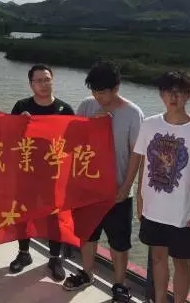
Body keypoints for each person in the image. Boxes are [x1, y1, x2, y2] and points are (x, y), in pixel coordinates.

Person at [62, 60, 144, 302]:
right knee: (87, 234)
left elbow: (136, 154)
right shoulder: (87, 106)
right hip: (88, 188)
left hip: (118, 190)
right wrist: (92, 124)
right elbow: (71, 141)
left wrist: (127, 186)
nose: (98, 96)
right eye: (95, 91)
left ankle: (120, 283)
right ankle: (87, 273)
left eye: (103, 92)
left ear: (116, 88)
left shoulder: (133, 113)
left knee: (119, 241)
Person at [133, 70, 190, 303]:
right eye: (168, 92)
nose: (173, 98)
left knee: (182, 263)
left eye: (179, 93)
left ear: (188, 95)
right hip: (153, 209)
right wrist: (139, 195)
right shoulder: (149, 124)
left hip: (184, 213)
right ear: (161, 94)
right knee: (158, 258)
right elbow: (143, 162)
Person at [8, 64, 74, 282]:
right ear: (31, 84)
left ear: (52, 80)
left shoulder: (65, 110)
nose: (43, 84)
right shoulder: (22, 107)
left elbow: (73, 144)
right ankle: (23, 253)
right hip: (26, 171)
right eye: (38, 81)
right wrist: (19, 124)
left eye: (47, 79)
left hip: (53, 175)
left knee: (54, 216)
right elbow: (8, 138)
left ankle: (55, 258)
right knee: (22, 214)